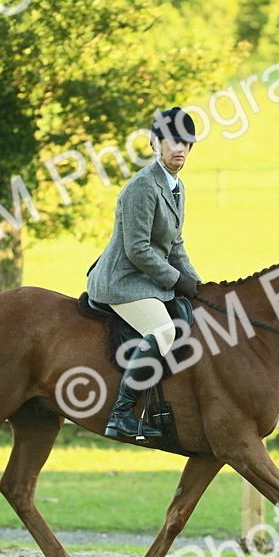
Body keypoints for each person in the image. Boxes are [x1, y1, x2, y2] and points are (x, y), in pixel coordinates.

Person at [86, 106, 203, 439]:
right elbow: (137, 249)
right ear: (155, 144)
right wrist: (176, 280)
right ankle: (121, 415)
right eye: (172, 141)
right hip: (122, 281)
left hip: (147, 279)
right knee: (164, 330)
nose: (180, 148)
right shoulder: (143, 186)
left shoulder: (177, 186)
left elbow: (175, 243)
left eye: (186, 143)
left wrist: (198, 284)